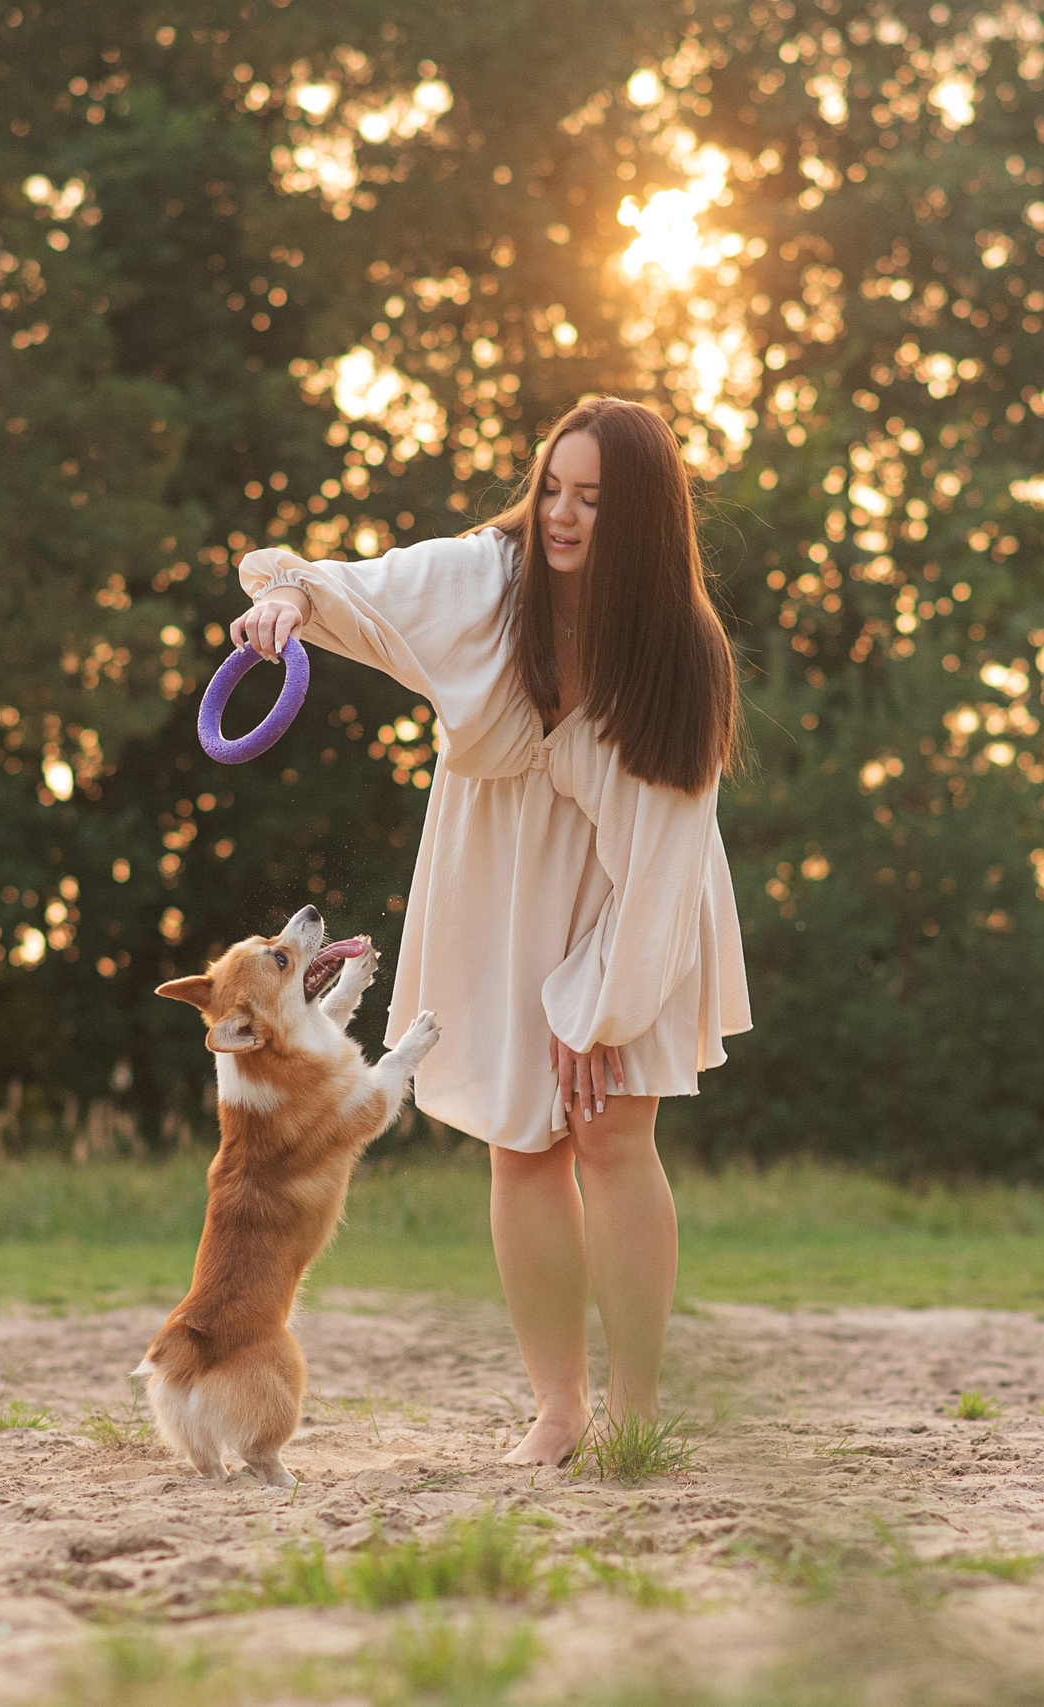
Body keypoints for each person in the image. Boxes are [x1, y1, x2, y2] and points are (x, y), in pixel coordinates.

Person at [227, 396, 750, 1466]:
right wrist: (284, 603)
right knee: (522, 1144)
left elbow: (659, 867)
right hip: (495, 876)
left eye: (592, 499)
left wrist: (599, 1009)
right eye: (552, 487)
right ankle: (558, 1411)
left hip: (630, 900)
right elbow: (349, 588)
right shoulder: (487, 575)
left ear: (644, 516)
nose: (560, 515)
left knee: (611, 1136)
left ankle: (636, 1409)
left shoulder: (681, 657)